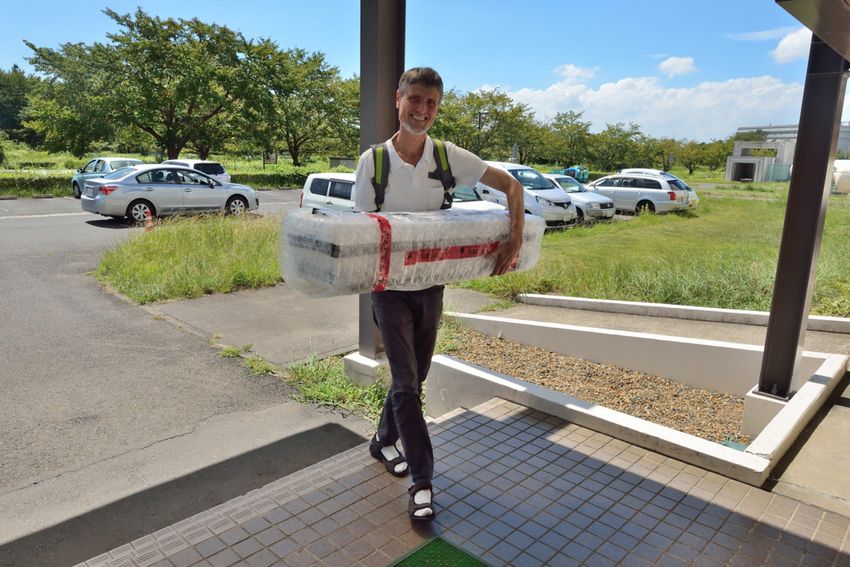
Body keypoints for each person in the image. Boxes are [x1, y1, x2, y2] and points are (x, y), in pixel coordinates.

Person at [353, 67, 525, 521]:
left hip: (431, 288)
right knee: (408, 384)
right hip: (388, 291)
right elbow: (361, 232)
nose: (423, 111)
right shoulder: (375, 162)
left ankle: (381, 441)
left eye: (431, 103)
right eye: (415, 100)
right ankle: (423, 483)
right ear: (398, 99)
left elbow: (512, 186)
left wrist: (515, 238)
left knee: (415, 377)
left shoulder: (447, 158)